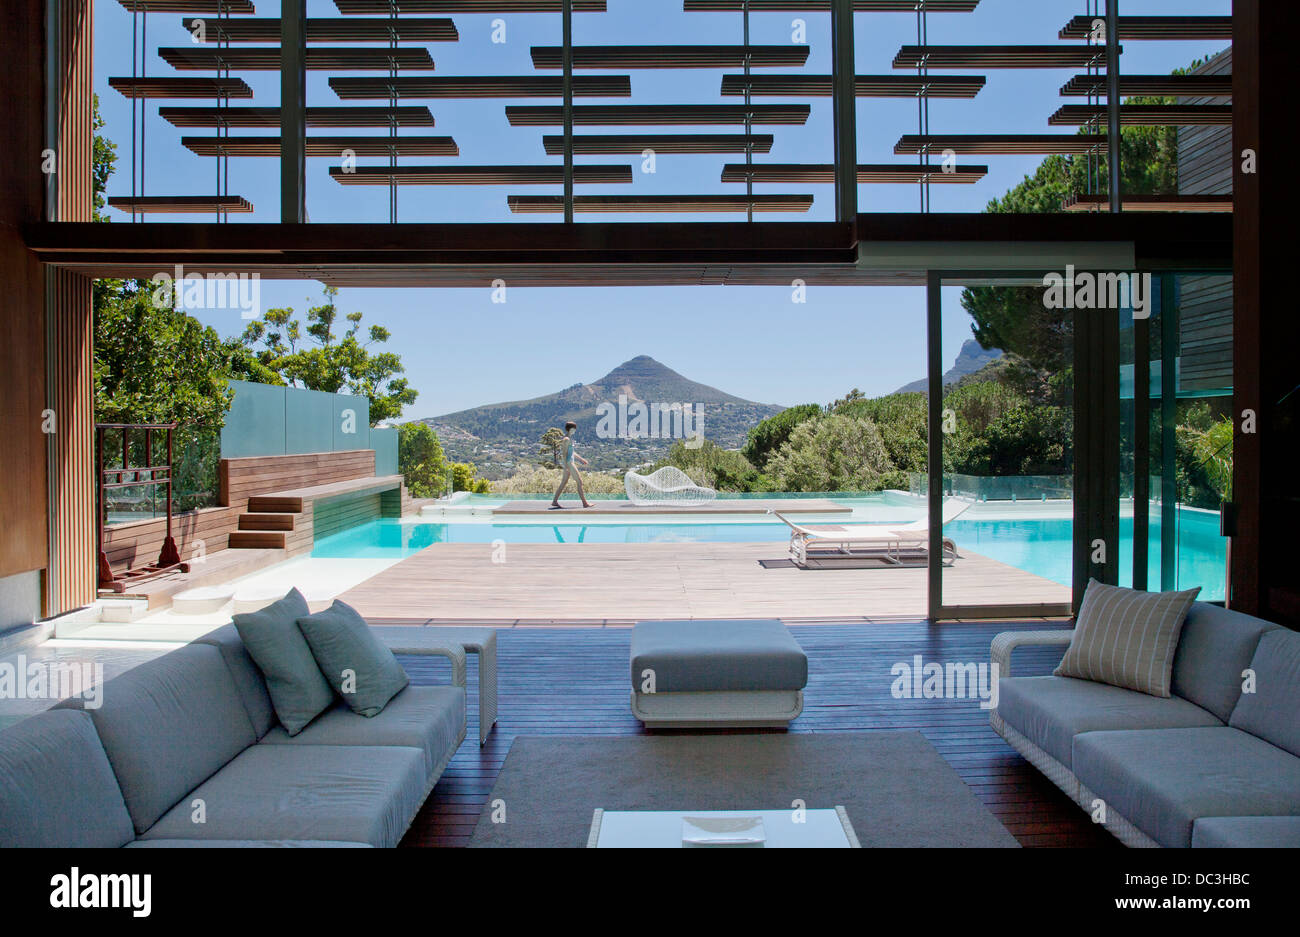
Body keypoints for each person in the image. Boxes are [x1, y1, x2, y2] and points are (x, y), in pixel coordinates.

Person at [551, 421, 593, 509]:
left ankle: (554, 501)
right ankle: (585, 503)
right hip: (569, 463)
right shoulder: (566, 439)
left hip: (570, 462)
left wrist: (581, 459)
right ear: (571, 429)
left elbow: (572, 452)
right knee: (579, 481)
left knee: (564, 482)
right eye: (574, 428)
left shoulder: (569, 438)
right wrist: (566, 466)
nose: (575, 430)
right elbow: (564, 453)